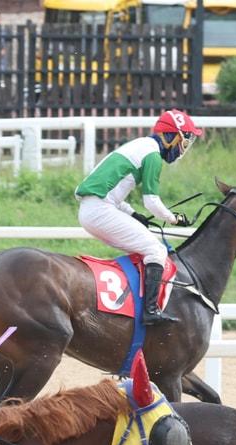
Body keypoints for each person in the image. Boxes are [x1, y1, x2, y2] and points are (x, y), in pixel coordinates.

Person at [75, 109, 203, 325]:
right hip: (100, 211)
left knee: (146, 248)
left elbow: (111, 193)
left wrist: (134, 214)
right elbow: (151, 201)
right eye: (185, 140)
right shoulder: (152, 155)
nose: (184, 148)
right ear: (171, 136)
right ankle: (150, 311)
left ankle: (131, 301)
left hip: (96, 208)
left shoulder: (140, 146)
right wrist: (174, 218)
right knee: (156, 250)